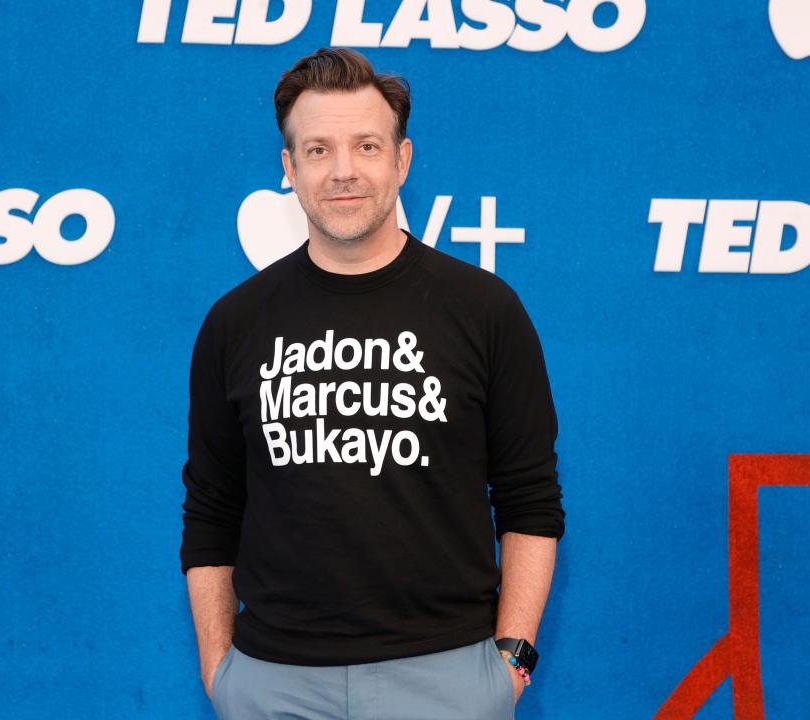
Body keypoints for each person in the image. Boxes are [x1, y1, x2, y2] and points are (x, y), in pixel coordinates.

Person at [180, 47, 565, 720]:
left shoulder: (485, 311)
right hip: (273, 683)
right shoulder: (234, 323)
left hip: (448, 681)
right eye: (319, 150)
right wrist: (222, 673)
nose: (344, 171)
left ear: (402, 160)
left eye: (366, 145)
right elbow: (212, 509)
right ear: (289, 168)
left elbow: (530, 498)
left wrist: (511, 660)